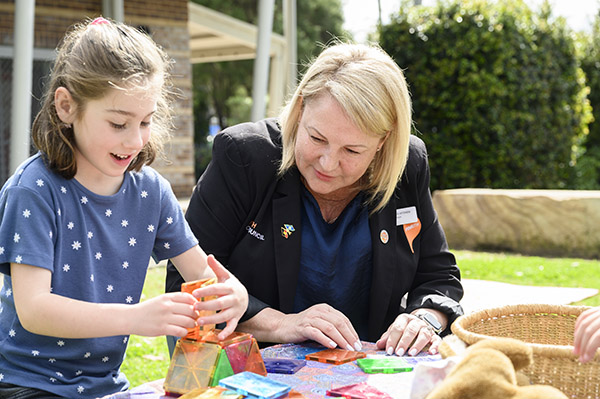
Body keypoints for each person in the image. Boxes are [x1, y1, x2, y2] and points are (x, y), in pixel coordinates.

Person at [0, 17, 248, 399]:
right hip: (25, 386)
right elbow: (34, 309)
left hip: (107, 387)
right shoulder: (33, 191)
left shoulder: (151, 192)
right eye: (118, 123)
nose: (134, 140)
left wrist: (235, 295)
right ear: (66, 106)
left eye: (145, 122)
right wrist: (137, 317)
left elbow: (205, 275)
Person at [166, 42, 463, 358]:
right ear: (300, 108)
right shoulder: (244, 156)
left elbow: (438, 277)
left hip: (365, 374)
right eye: (317, 138)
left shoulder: (408, 164)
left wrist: (424, 320)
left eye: (352, 151)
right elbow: (187, 284)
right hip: (250, 370)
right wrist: (283, 324)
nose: (327, 163)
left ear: (383, 141)